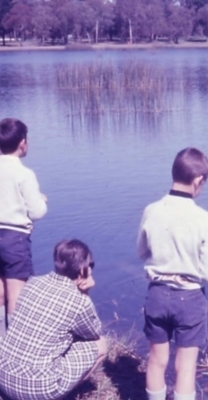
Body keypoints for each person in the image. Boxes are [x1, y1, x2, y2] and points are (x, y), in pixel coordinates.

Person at [137, 147, 208, 400]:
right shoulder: (204, 219)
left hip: (157, 293)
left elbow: (141, 251)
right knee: (185, 367)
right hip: (190, 298)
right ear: (198, 180)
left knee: (156, 360)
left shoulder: (151, 210)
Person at [0, 239, 108, 400]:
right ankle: (61, 395)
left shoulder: (33, 283)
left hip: (3, 376)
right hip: (37, 388)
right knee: (101, 345)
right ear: (84, 270)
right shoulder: (78, 301)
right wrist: (85, 293)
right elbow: (94, 333)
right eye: (90, 265)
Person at [0, 117, 47, 336]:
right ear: (22, 143)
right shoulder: (24, 174)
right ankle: (15, 350)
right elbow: (37, 212)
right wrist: (41, 199)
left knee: (0, 293)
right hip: (14, 239)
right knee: (16, 296)